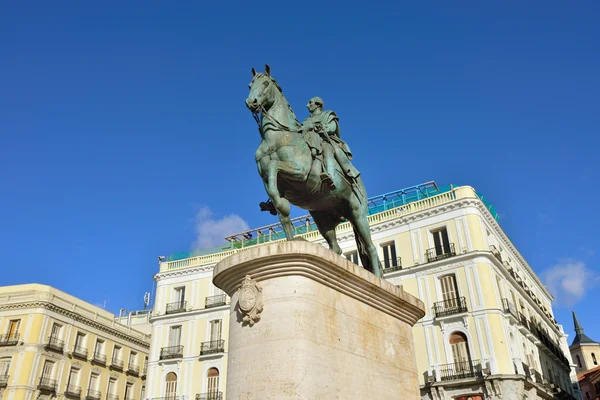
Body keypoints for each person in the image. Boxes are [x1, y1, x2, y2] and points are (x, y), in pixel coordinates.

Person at [299, 97, 360, 190]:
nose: (307, 105)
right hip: (309, 142)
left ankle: (330, 176)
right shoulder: (306, 120)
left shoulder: (327, 115)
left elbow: (332, 127)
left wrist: (321, 127)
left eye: (310, 103)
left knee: (327, 149)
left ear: (318, 105)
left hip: (324, 140)